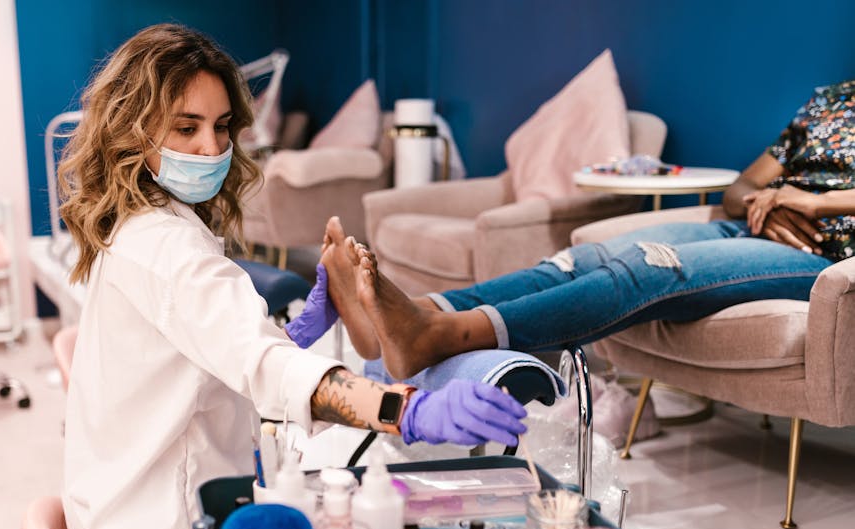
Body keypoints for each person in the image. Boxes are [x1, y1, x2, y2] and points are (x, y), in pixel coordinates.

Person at [58, 24, 528, 529]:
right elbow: (259, 365)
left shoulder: (134, 227)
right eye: (185, 127)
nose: (210, 147)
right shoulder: (168, 250)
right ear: (133, 129)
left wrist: (297, 333)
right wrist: (405, 410)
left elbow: (203, 352)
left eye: (222, 125)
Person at [323, 79, 855, 381]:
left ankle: (443, 336)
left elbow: (808, 200)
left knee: (651, 267)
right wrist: (767, 198)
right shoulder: (830, 102)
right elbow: (740, 186)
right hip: (753, 226)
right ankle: (419, 313)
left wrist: (815, 202)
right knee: (582, 258)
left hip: (823, 257)